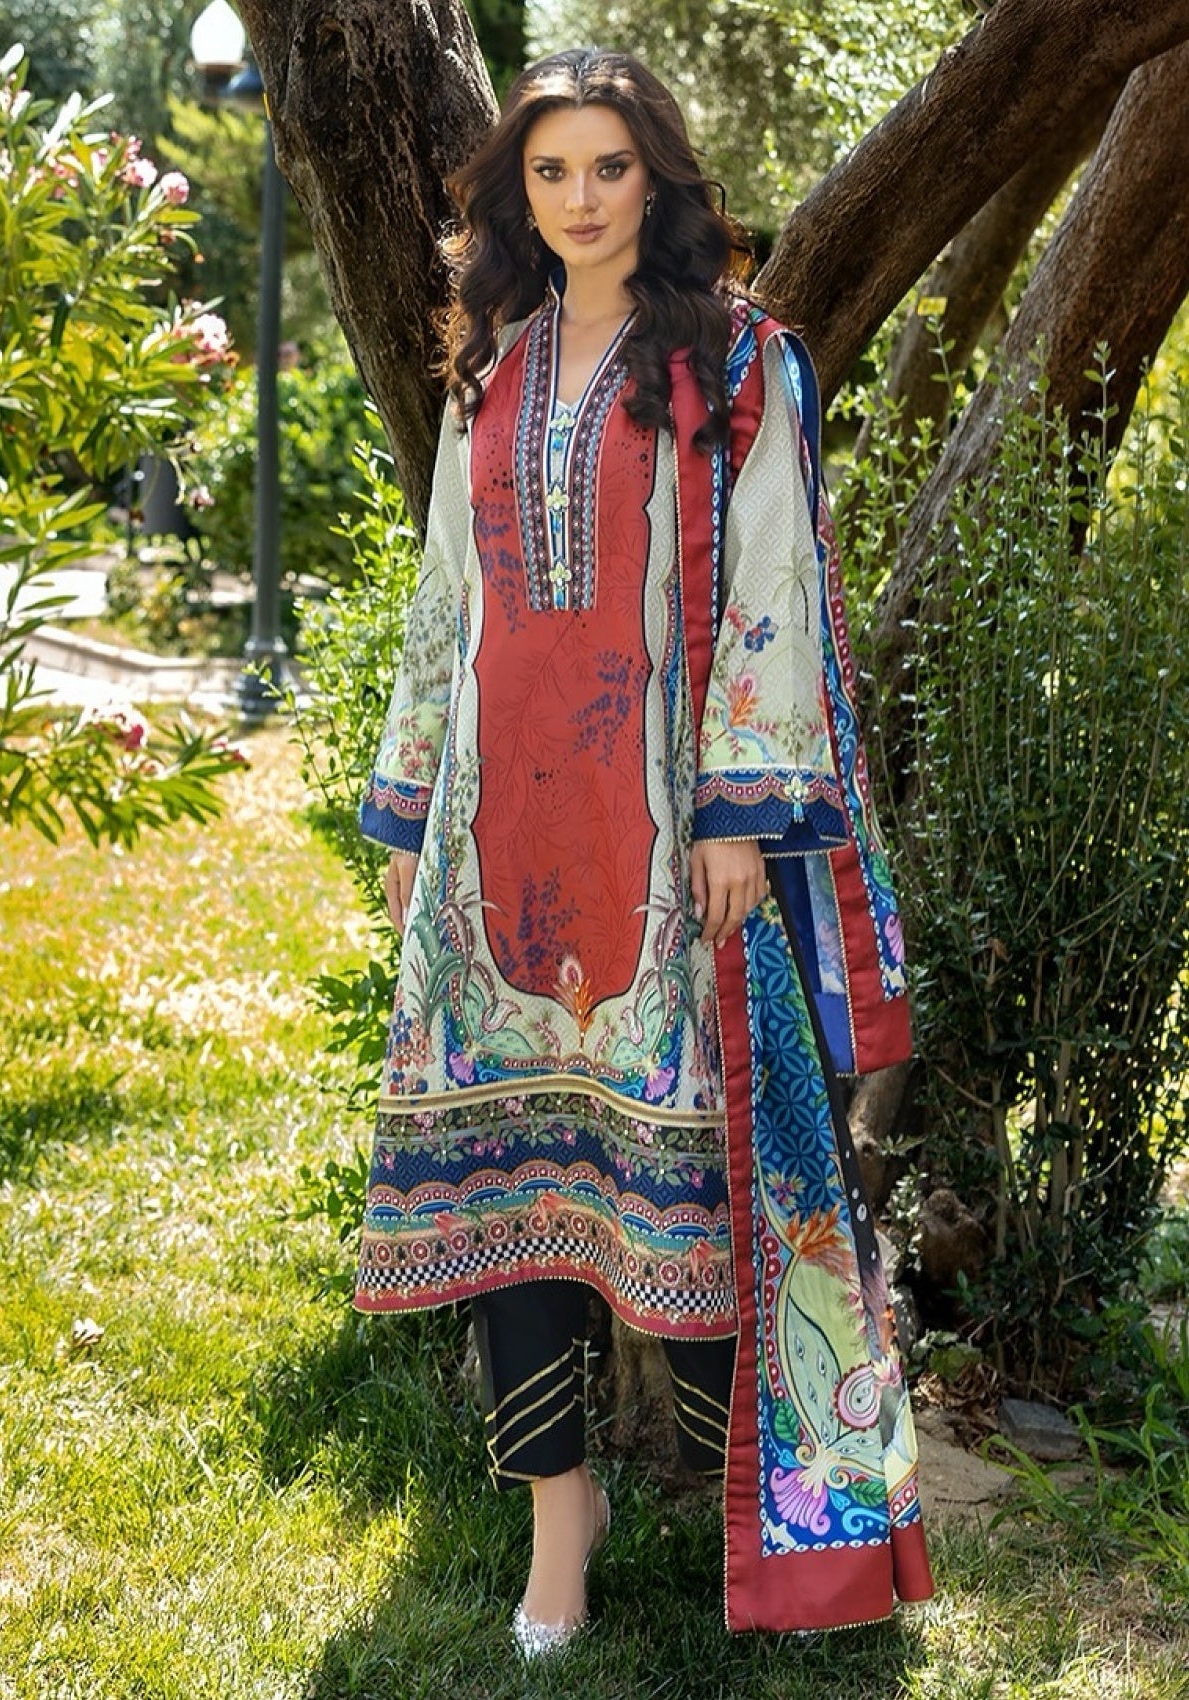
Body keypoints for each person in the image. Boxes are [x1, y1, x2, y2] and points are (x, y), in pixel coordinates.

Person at [354, 46, 934, 1656]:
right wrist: (408, 805)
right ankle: (560, 1524)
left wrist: (745, 810)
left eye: (609, 166)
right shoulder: (489, 366)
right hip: (494, 855)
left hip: (671, 852)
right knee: (509, 1184)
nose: (582, 198)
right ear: (517, 194)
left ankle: (771, 1510)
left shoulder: (736, 364)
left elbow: (773, 585)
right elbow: (446, 598)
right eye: (551, 171)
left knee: (696, 1187)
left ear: (659, 179)